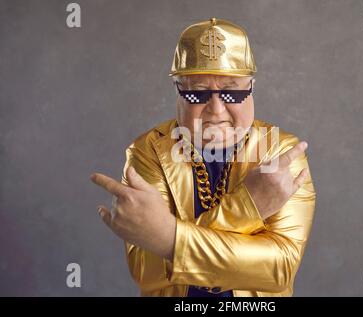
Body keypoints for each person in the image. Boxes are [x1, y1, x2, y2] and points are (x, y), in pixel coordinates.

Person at [90, 17, 316, 297]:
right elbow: (147, 272)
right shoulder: (148, 152)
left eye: (232, 92)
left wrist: (168, 238)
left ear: (252, 87)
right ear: (178, 91)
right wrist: (248, 207)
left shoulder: (281, 152)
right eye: (197, 94)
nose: (217, 110)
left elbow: (279, 269)